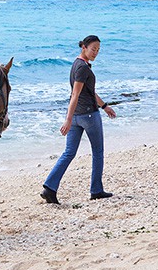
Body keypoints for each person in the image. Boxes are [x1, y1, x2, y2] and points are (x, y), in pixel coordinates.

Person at [41, 34, 116, 204]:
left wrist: (104, 107)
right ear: (84, 47)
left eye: (98, 50)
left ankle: (49, 188)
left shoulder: (77, 64)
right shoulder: (82, 68)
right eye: (93, 49)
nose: (96, 52)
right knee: (98, 152)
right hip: (88, 116)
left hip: (77, 117)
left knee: (69, 153)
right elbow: (75, 94)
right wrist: (67, 120)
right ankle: (96, 190)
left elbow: (87, 91)